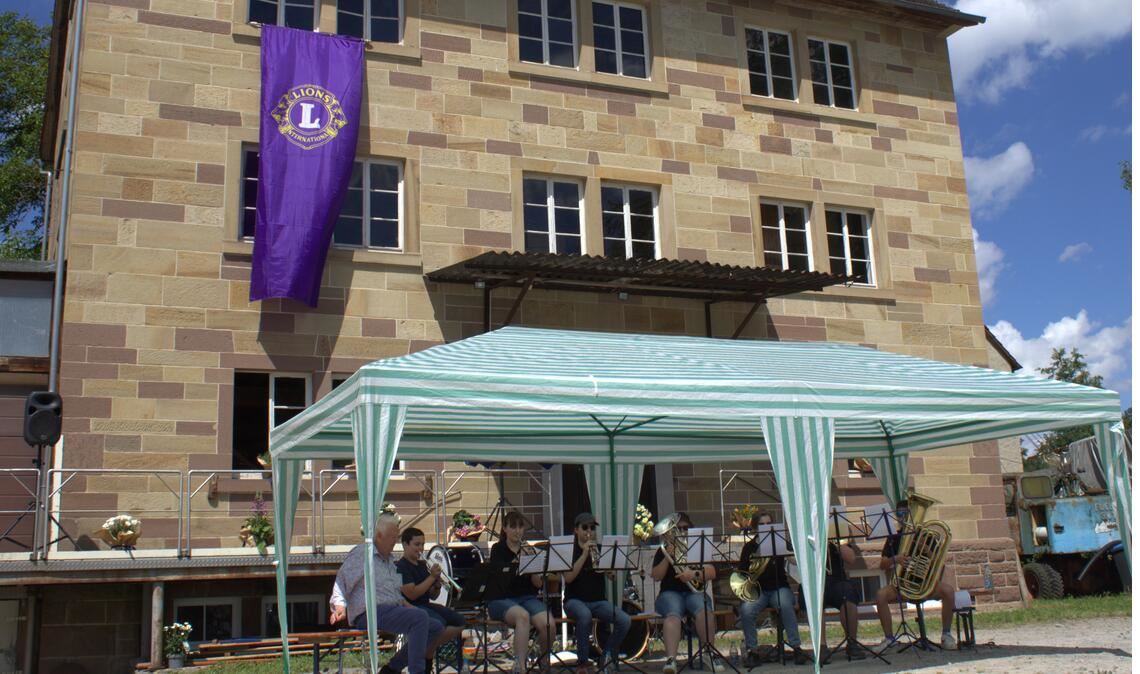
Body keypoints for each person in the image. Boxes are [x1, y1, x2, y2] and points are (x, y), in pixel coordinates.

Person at [330, 512, 443, 674]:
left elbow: (396, 594)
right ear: (378, 535)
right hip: (368, 613)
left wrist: (412, 609)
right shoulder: (362, 554)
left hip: (391, 610)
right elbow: (342, 580)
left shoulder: (389, 560)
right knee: (419, 618)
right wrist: (339, 606)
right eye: (392, 537)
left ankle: (391, 669)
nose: (395, 541)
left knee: (435, 627)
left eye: (397, 537)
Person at [874, 499, 957, 651]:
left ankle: (946, 635)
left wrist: (925, 549)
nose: (903, 518)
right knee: (881, 595)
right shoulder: (894, 538)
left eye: (906, 514)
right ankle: (889, 638)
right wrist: (896, 559)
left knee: (948, 591)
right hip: (901, 586)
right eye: (899, 514)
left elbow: (938, 563)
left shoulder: (927, 536)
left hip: (925, 585)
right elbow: (882, 565)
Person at [484, 511, 556, 674]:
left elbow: (538, 584)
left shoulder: (528, 549)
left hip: (526, 597)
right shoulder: (498, 549)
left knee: (549, 624)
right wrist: (518, 561)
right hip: (501, 598)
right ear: (505, 529)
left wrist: (535, 566)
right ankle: (520, 667)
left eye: (520, 526)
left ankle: (542, 659)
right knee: (522, 616)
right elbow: (500, 581)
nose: (517, 531)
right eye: (513, 527)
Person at [562, 512, 631, 674]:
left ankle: (606, 655)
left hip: (598, 601)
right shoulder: (569, 550)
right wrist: (584, 554)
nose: (589, 531)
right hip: (574, 601)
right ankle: (582, 663)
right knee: (584, 615)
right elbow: (569, 578)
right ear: (576, 530)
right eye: (585, 527)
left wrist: (610, 572)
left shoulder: (600, 549)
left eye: (592, 528)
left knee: (624, 620)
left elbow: (611, 576)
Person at [651, 512, 719, 674]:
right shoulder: (664, 549)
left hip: (694, 592)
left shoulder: (697, 547)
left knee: (705, 612)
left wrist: (693, 574)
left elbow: (712, 572)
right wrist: (668, 556)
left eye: (685, 528)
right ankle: (671, 660)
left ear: (691, 529)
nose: (682, 532)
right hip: (670, 592)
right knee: (673, 614)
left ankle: (709, 653)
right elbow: (656, 576)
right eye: (678, 529)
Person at [737, 512, 806, 666]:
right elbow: (741, 573)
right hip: (758, 590)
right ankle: (752, 650)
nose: (766, 527)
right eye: (762, 524)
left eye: (769, 524)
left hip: (779, 587)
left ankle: (796, 647)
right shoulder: (749, 547)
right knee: (747, 610)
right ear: (756, 527)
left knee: (786, 605)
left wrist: (787, 552)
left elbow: (795, 561)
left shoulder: (779, 541)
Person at [396, 527, 467, 667]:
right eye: (417, 544)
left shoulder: (423, 565)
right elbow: (412, 594)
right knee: (438, 624)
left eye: (422, 544)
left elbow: (433, 596)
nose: (420, 548)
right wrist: (432, 577)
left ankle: (427, 651)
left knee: (459, 621)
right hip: (411, 607)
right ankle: (425, 657)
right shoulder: (401, 567)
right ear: (405, 545)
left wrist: (437, 585)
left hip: (426, 605)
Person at [821, 539, 866, 660]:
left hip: (837, 580)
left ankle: (852, 643)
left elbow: (851, 559)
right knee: (816, 600)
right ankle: (821, 646)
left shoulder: (835, 533)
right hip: (814, 581)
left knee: (848, 593)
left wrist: (835, 543)